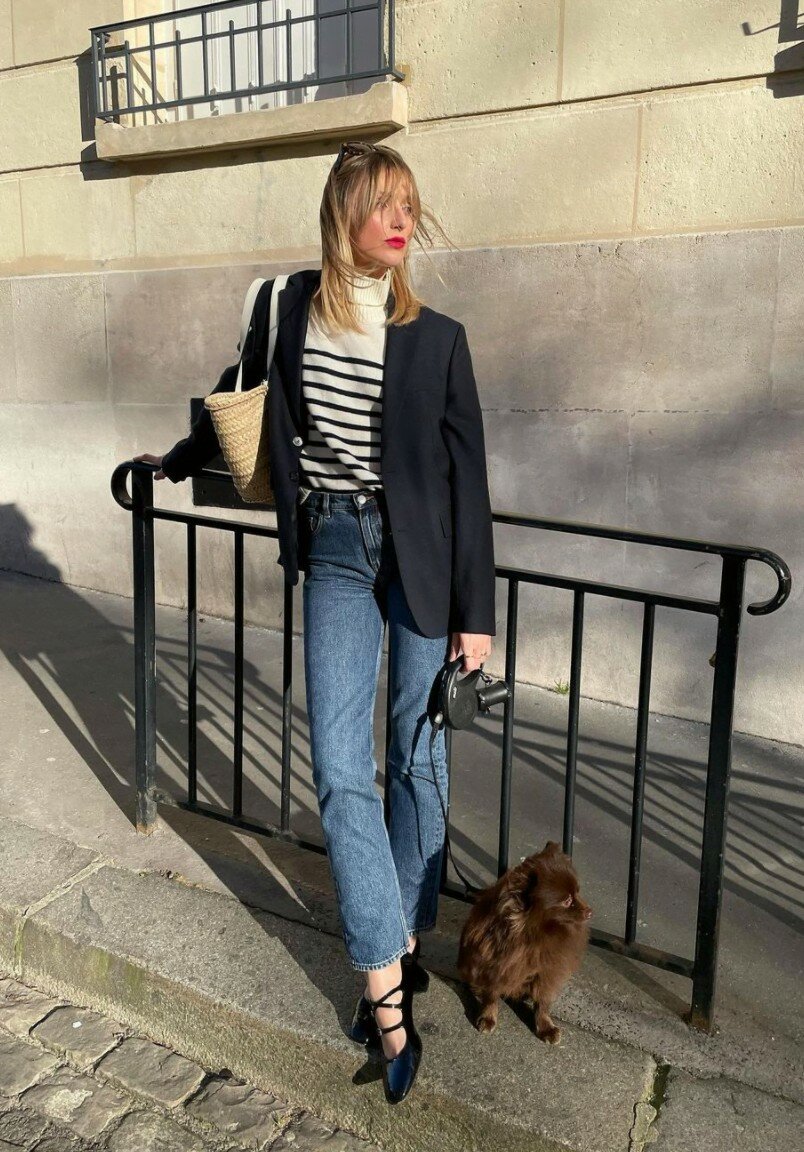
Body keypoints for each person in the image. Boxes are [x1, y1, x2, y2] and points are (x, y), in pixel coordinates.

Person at [134, 141, 496, 1104]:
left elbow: (471, 489)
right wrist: (175, 460)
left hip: (421, 561)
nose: (401, 219)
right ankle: (385, 990)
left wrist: (478, 618)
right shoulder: (288, 306)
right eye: (383, 203)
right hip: (335, 549)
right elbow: (239, 390)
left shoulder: (440, 337)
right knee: (341, 768)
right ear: (344, 211)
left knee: (416, 760)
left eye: (411, 205)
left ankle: (408, 937)